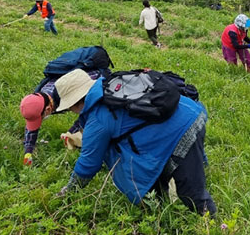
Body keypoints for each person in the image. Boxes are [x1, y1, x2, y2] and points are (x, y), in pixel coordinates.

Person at [53, 69, 216, 216]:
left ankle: (215, 228)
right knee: (160, 177)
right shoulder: (109, 87)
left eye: (68, 108)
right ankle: (160, 214)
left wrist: (69, 191)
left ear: (75, 103)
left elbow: (88, 164)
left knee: (190, 191)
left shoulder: (98, 119)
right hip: (188, 109)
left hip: (183, 127)